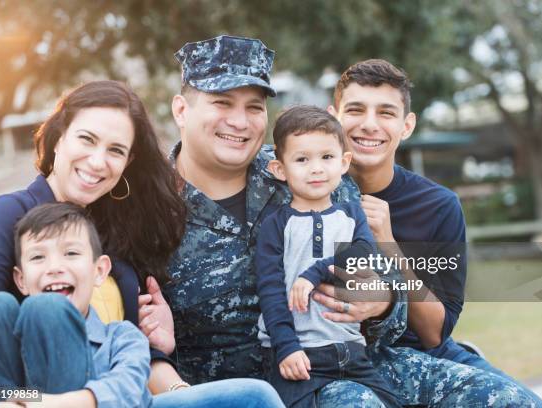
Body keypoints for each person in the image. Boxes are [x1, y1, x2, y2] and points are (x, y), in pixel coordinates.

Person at [0, 80, 283, 404]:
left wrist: (176, 380)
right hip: (36, 397)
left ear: (127, 162)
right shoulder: (13, 213)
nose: (97, 162)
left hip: (122, 395)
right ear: (58, 138)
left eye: (115, 151)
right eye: (87, 140)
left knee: (253, 397)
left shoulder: (114, 230)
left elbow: (138, 356)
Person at [161, 34, 408, 408]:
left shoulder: (309, 166)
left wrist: (383, 302)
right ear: (181, 110)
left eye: (255, 107)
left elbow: (393, 299)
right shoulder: (147, 207)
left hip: (357, 364)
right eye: (221, 102)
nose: (239, 122)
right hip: (237, 393)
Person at [329, 58, 542, 407]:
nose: (369, 125)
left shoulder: (439, 205)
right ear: (333, 117)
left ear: (407, 125)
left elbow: (434, 333)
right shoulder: (305, 192)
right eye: (355, 110)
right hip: (341, 363)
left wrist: (387, 243)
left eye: (386, 113)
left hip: (428, 358)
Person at [0, 203, 284, 408]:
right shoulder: (6, 338)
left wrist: (64, 402)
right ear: (21, 279)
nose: (55, 267)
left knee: (255, 395)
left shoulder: (121, 336)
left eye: (70, 254)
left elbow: (129, 388)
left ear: (100, 271)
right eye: (39, 257)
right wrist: (16, 401)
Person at [255, 105, 400, 408]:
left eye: (327, 157)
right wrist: (286, 347)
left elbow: (363, 253)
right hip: (301, 355)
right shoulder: (276, 225)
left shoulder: (351, 215)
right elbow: (270, 293)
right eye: (302, 159)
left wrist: (314, 273)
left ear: (344, 162)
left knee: (391, 402)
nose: (317, 168)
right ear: (279, 169)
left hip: (351, 350)